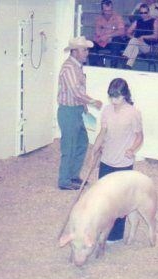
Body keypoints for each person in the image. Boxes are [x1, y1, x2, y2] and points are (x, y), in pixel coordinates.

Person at [91, 78, 144, 242]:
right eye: (111, 97)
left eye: (117, 97)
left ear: (125, 95)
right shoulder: (107, 110)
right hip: (106, 160)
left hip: (123, 163)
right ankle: (102, 229)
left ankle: (115, 235)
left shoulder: (133, 113)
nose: (114, 101)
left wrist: (132, 149)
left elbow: (140, 137)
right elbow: (103, 132)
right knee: (105, 198)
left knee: (120, 202)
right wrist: (95, 148)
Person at [57, 36, 103, 190]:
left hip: (76, 111)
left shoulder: (76, 67)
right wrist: (92, 102)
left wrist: (84, 107)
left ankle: (72, 176)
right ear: (75, 51)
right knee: (69, 146)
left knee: (82, 142)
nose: (87, 53)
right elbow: (76, 92)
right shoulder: (69, 68)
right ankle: (64, 180)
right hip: (68, 111)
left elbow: (78, 92)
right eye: (84, 50)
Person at [89, 0, 126, 68]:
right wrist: (110, 34)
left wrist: (108, 35)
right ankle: (95, 67)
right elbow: (98, 33)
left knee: (116, 40)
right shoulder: (98, 18)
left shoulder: (117, 17)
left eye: (110, 10)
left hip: (114, 42)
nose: (108, 13)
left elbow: (122, 31)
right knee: (91, 44)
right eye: (106, 11)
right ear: (102, 10)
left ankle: (113, 67)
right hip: (102, 42)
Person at [121, 4, 158, 69]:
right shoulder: (137, 21)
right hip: (136, 44)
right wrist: (133, 38)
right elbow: (127, 32)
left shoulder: (154, 21)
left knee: (134, 42)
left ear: (149, 12)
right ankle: (128, 66)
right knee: (135, 47)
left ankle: (125, 57)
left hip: (147, 46)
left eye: (145, 12)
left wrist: (143, 37)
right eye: (141, 13)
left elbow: (156, 36)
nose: (143, 14)